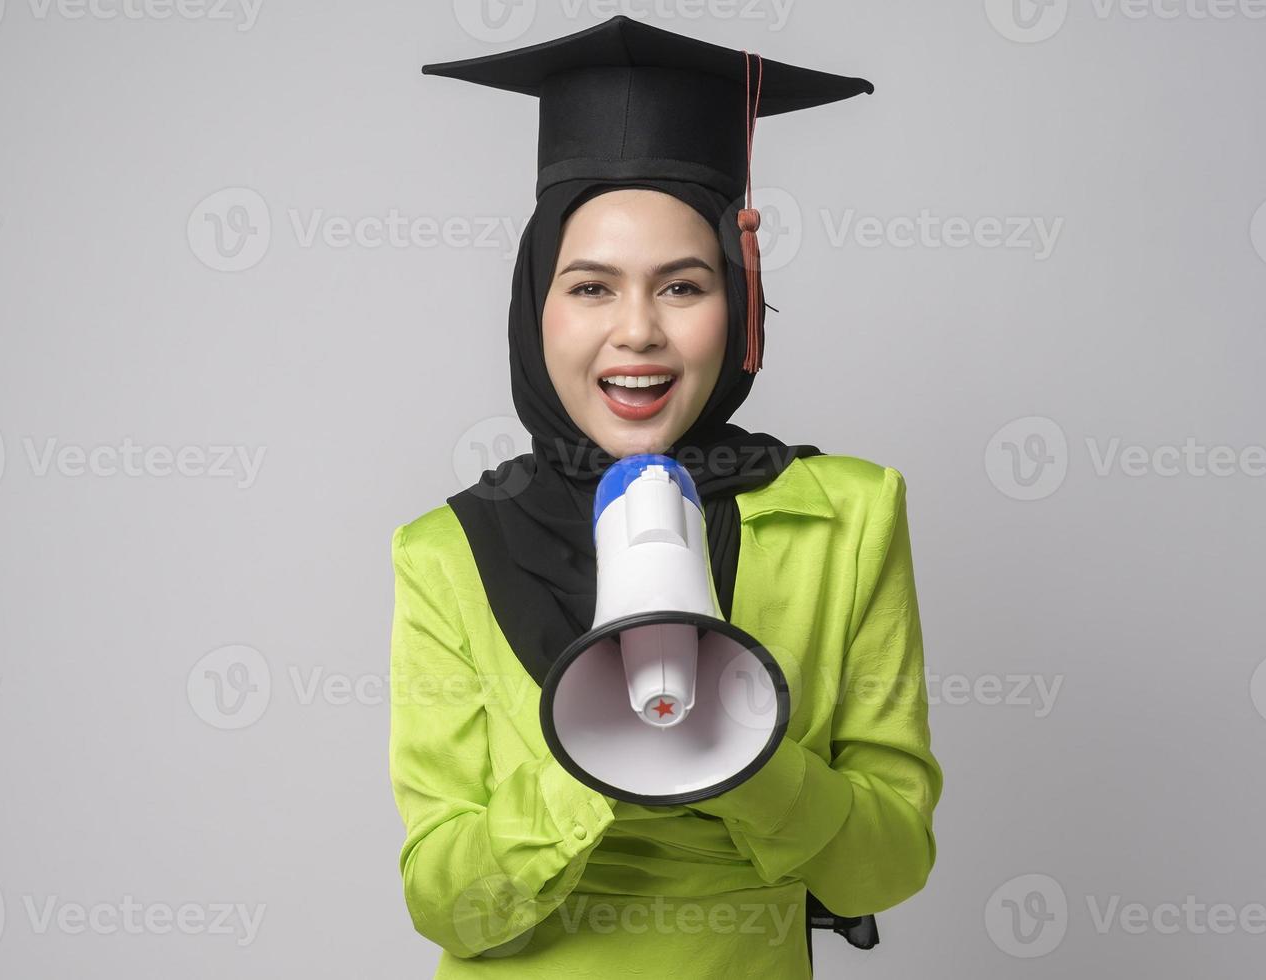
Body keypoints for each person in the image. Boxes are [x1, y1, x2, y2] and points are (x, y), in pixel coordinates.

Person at [388, 16, 943, 978]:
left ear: (738, 296)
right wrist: (591, 761)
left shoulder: (847, 516)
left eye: (682, 287)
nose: (636, 331)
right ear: (535, 307)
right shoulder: (450, 549)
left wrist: (744, 758)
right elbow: (448, 905)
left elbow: (884, 871)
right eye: (591, 287)